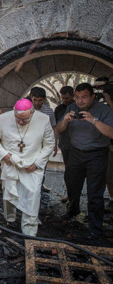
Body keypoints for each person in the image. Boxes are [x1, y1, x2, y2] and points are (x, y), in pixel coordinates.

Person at [0, 98, 55, 236]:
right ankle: (10, 220)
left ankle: (29, 231)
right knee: (9, 193)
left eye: (25, 119)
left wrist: (36, 164)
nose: (21, 122)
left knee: (33, 195)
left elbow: (49, 144)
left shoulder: (44, 119)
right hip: (10, 162)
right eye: (17, 118)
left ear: (32, 112)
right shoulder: (3, 119)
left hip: (32, 165)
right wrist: (4, 155)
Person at [55, 83, 113, 239]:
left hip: (97, 154)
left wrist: (94, 121)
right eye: (78, 97)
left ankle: (95, 227)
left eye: (84, 97)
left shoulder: (105, 110)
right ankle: (73, 209)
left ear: (93, 97)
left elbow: (111, 133)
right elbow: (58, 129)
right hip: (76, 152)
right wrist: (66, 120)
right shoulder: (71, 107)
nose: (80, 101)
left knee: (95, 192)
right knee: (72, 184)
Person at [30, 87, 57, 192]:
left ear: (44, 99)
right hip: (28, 145)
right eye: (35, 100)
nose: (37, 103)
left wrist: (54, 144)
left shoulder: (49, 112)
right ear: (31, 98)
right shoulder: (26, 109)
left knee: (41, 168)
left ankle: (39, 187)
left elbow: (53, 127)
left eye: (40, 100)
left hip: (43, 145)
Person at [54, 86, 75, 202]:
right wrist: (55, 143)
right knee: (69, 171)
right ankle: (70, 193)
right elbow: (56, 127)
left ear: (72, 96)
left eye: (67, 98)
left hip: (78, 144)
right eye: (62, 98)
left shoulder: (78, 107)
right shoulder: (59, 109)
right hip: (65, 143)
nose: (64, 100)